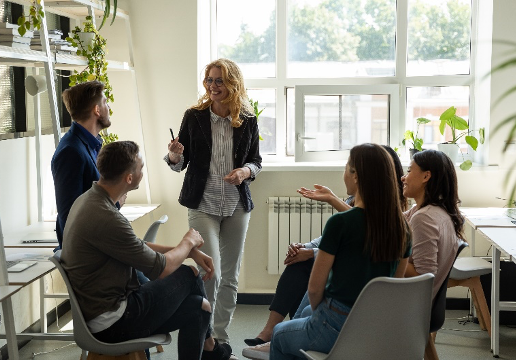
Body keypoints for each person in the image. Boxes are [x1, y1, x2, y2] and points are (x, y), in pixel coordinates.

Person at [61, 141, 233, 360]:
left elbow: (137, 246)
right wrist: (187, 243)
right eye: (141, 168)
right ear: (129, 178)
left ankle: (210, 349)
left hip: (103, 315)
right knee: (189, 274)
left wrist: (187, 251)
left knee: (198, 307)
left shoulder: (88, 201)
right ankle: (212, 349)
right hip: (113, 323)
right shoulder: (106, 216)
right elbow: (161, 269)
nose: (143, 172)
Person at [245, 143, 412, 359]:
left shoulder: (341, 222)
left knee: (279, 334)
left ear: (356, 176)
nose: (343, 174)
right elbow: (393, 289)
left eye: (346, 168)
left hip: (336, 322)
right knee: (304, 314)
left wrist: (322, 317)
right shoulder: (402, 228)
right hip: (375, 326)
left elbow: (315, 290)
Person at [164, 58, 262, 343]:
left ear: (233, 83)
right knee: (212, 272)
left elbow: (256, 161)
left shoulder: (248, 118)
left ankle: (220, 338)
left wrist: (245, 171)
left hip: (236, 205)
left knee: (231, 275)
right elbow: (179, 163)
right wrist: (173, 154)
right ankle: (205, 336)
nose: (212, 86)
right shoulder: (194, 116)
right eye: (208, 80)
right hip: (202, 203)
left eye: (219, 80)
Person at [51, 80, 124, 250]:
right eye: (105, 102)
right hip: (89, 253)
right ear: (97, 110)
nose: (109, 107)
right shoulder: (70, 151)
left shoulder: (91, 145)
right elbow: (71, 215)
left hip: (102, 244)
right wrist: (116, 201)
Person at [401, 149, 463, 297]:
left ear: (426, 176)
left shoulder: (424, 218)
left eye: (409, 171)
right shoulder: (431, 210)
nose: (403, 178)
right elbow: (389, 220)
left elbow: (423, 276)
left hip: (411, 304)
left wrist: (388, 257)